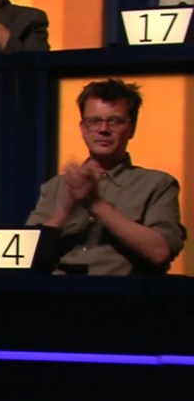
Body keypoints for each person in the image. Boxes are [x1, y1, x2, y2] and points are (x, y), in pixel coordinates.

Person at [26, 78, 186, 275]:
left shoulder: (158, 184)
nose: (103, 130)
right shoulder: (54, 187)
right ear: (83, 129)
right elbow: (24, 256)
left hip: (121, 293)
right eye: (94, 121)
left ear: (132, 128)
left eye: (115, 121)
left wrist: (95, 203)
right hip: (55, 292)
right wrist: (62, 213)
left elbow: (159, 252)